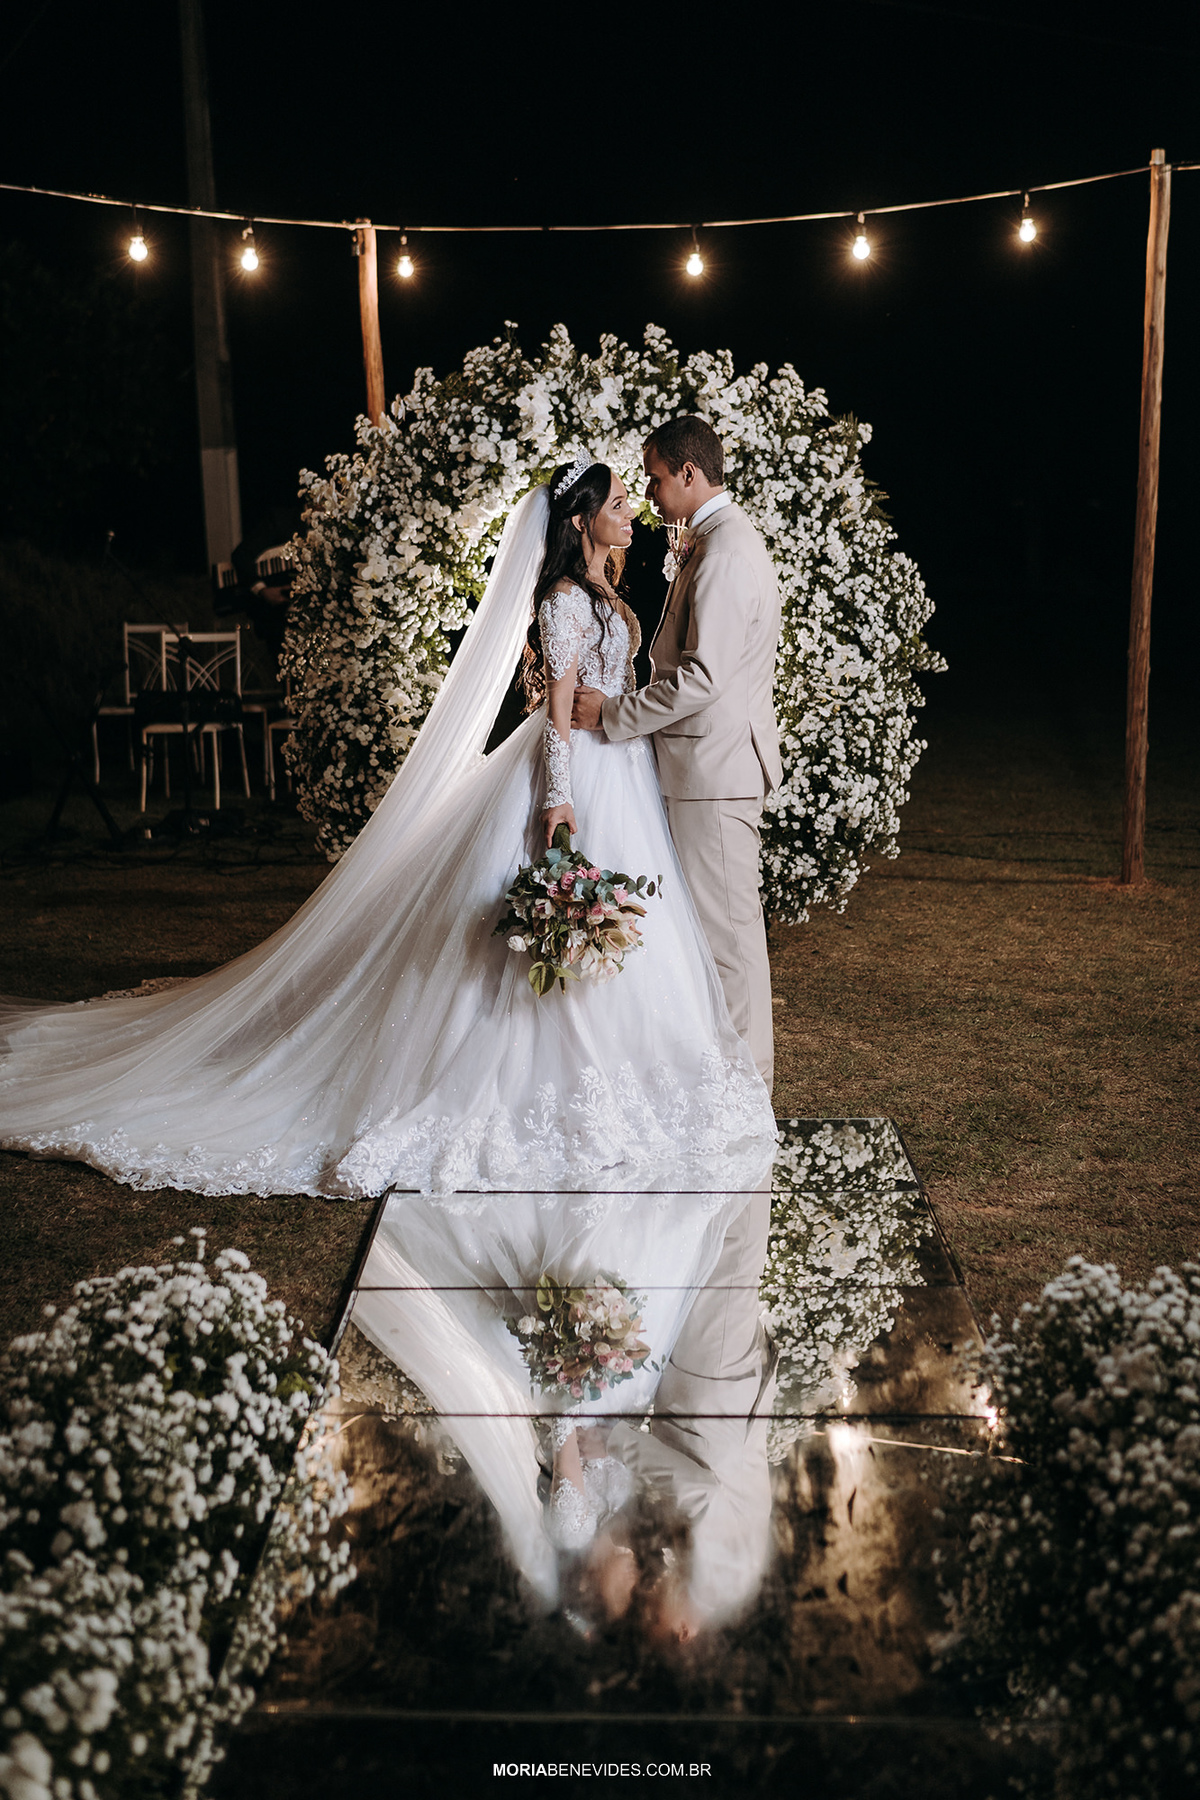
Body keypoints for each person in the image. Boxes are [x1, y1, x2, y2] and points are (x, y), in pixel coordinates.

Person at [0, 457, 774, 1198]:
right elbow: (557, 719)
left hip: (629, 775)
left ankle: (643, 1073)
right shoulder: (566, 600)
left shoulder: (603, 587)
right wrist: (557, 801)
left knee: (644, 936)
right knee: (551, 931)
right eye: (615, 505)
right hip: (587, 777)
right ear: (580, 520)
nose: (630, 509)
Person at [572, 418, 782, 1094]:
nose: (653, 496)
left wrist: (613, 717)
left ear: (691, 474)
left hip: (715, 773)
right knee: (717, 938)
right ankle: (728, 1086)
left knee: (729, 944)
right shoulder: (717, 542)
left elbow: (703, 678)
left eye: (658, 480)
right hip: (707, 767)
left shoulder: (723, 554)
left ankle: (748, 1095)